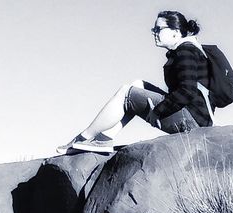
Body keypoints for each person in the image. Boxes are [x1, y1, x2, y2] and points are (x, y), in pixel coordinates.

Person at [57, 10, 213, 154]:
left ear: (176, 32)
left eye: (159, 29)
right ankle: (104, 139)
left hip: (192, 123)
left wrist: (158, 111)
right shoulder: (187, 49)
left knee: (127, 92)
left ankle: (82, 138)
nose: (155, 33)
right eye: (154, 30)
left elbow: (187, 91)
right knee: (138, 84)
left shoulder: (185, 51)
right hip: (193, 117)